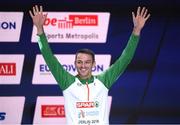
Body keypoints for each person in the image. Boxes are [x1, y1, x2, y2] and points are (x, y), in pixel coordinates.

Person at [29, 5, 150, 125]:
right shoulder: (67, 82)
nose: (83, 65)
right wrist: (39, 29)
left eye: (87, 62)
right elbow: (49, 58)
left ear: (93, 64)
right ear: (75, 64)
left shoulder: (103, 80)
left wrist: (136, 30)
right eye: (79, 62)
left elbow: (125, 58)